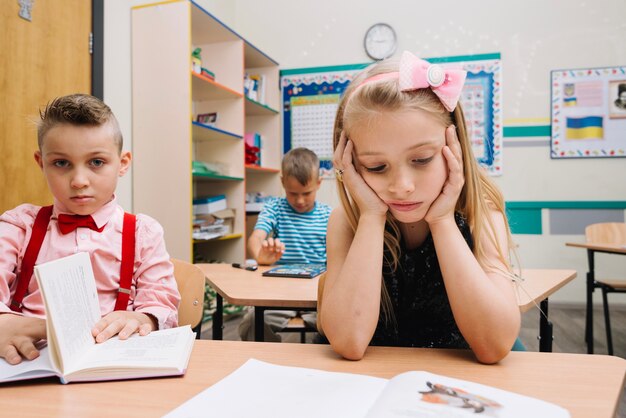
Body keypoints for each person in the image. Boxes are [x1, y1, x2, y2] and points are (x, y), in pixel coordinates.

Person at [318, 51, 520, 364]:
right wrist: (372, 217)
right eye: (376, 166)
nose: (402, 185)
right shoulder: (347, 221)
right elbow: (349, 341)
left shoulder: (483, 215)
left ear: (456, 147)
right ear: (351, 164)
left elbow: (494, 346)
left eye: (421, 160)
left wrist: (441, 221)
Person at [0, 94, 180, 365]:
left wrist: (143, 318)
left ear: (122, 163)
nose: (79, 181)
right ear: (41, 163)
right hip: (26, 364)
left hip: (112, 364)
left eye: (96, 162)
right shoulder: (18, 226)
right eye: (61, 163)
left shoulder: (144, 232)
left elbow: (161, 304)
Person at [239, 147, 331, 342]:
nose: (299, 200)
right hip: (280, 294)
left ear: (319, 183)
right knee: (252, 323)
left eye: (307, 193)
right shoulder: (275, 208)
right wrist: (259, 256)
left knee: (336, 324)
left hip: (318, 296)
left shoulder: (329, 216)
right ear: (282, 183)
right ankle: (269, 364)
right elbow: (255, 239)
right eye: (292, 193)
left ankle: (317, 365)